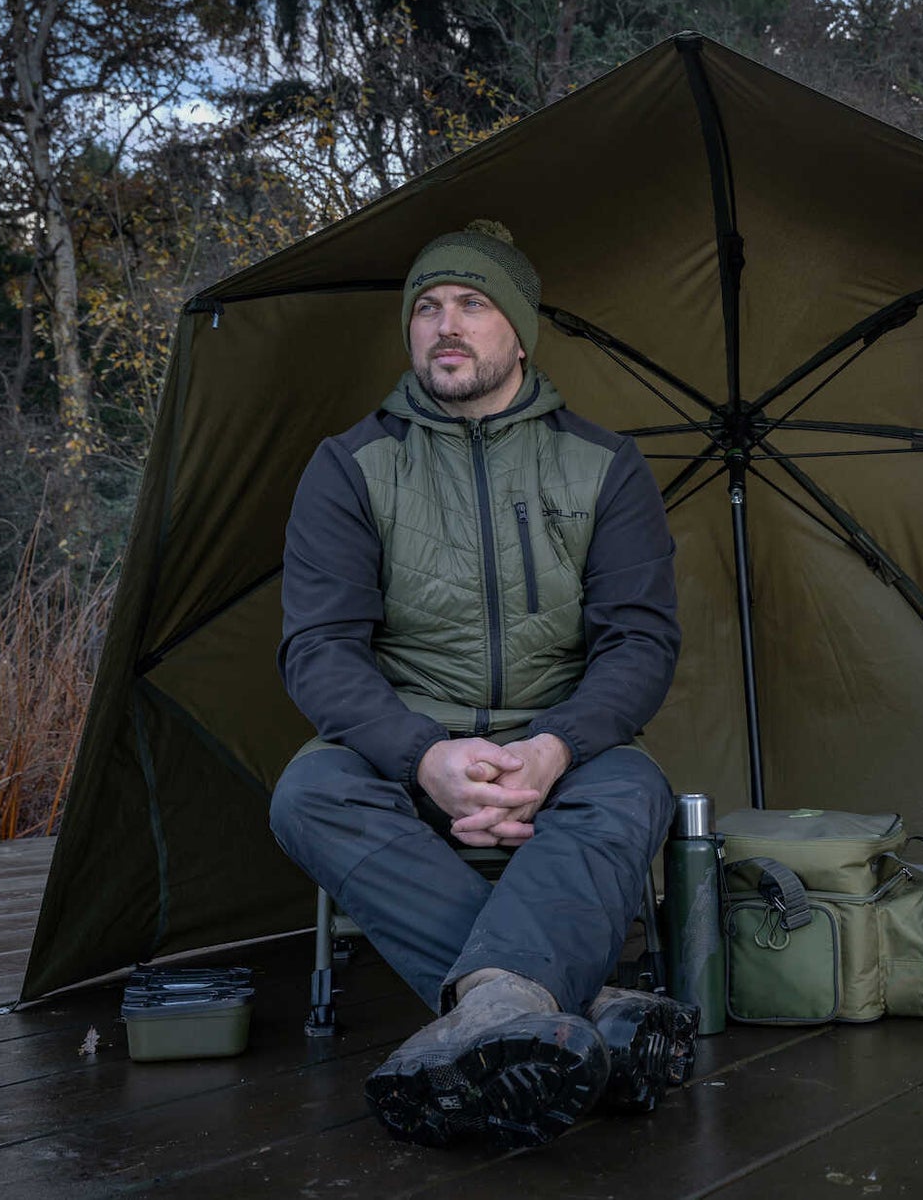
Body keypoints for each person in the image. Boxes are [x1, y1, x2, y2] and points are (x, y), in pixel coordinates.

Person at [267, 220, 695, 1150]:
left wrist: (550, 749)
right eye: (425, 307)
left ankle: (500, 1009)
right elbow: (320, 649)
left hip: (563, 751)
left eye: (471, 303)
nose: (444, 325)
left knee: (635, 787)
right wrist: (425, 758)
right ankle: (580, 1011)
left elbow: (641, 644)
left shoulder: (604, 467)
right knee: (309, 791)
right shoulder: (351, 466)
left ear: (520, 331)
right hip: (403, 754)